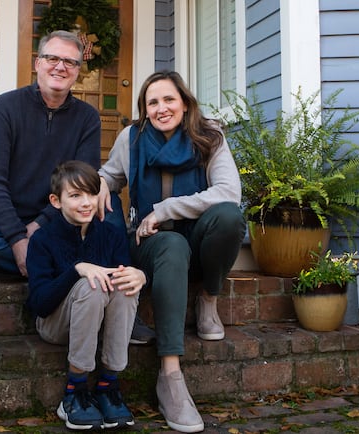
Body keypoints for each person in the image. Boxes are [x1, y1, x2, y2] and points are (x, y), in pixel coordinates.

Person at [0, 29, 155, 344]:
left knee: (107, 210)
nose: (60, 66)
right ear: (38, 63)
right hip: (3, 216)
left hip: (61, 215)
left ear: (78, 71)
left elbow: (85, 181)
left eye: (70, 61)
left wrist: (40, 225)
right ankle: (74, 272)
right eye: (53, 58)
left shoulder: (87, 118)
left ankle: (119, 304)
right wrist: (17, 239)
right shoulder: (5, 108)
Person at [97, 70, 246, 433]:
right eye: (153, 102)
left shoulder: (209, 136)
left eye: (169, 99)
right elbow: (109, 175)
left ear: (184, 102)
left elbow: (229, 192)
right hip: (154, 245)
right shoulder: (131, 139)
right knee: (171, 244)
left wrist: (166, 208)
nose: (161, 108)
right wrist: (100, 184)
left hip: (197, 239)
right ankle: (170, 375)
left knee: (227, 218)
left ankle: (208, 297)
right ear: (144, 109)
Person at [26, 160, 146, 430]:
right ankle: (75, 391)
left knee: (124, 284)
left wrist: (140, 276)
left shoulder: (111, 234)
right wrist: (76, 270)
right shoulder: (43, 240)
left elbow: (123, 278)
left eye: (91, 194)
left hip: (97, 324)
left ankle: (107, 386)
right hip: (56, 324)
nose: (86, 202)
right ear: (56, 201)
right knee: (91, 283)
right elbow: (40, 304)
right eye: (75, 195)